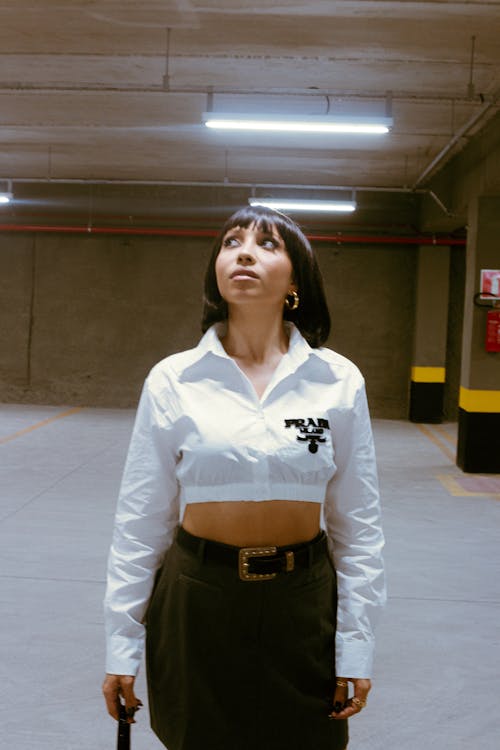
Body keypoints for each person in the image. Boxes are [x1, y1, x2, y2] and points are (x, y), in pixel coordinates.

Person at [102, 205, 386, 750]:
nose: (245, 252)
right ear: (217, 268)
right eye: (232, 241)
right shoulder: (175, 379)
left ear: (296, 278)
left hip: (302, 602)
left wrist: (356, 647)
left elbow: (360, 527)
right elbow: (140, 524)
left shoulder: (338, 380)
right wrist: (121, 647)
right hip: (198, 600)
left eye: (268, 244)